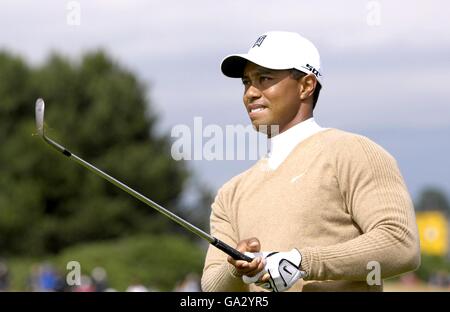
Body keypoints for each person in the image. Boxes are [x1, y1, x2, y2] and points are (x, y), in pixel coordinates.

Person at [201, 31, 421, 292]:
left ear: (306, 86)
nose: (250, 93)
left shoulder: (354, 152)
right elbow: (212, 287)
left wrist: (300, 262)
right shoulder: (231, 192)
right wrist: (236, 266)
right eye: (246, 82)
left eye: (264, 78)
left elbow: (400, 244)